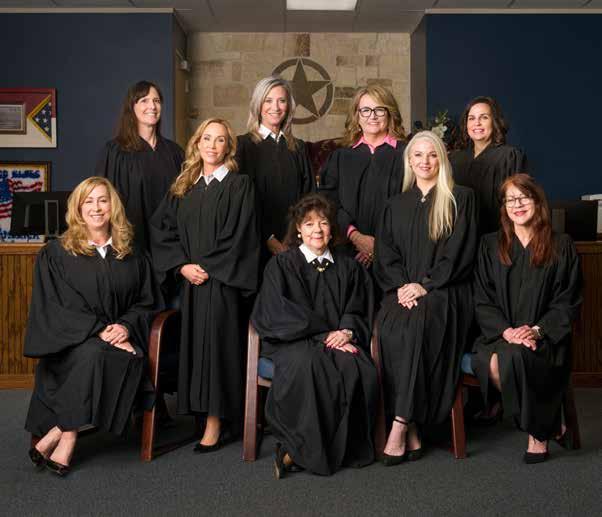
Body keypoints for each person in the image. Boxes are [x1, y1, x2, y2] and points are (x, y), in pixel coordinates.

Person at [24, 177, 161, 476]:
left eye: (102, 200)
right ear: (77, 208)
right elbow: (57, 306)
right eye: (88, 201)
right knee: (94, 353)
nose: (96, 208)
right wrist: (100, 330)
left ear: (113, 207)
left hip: (121, 338)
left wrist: (125, 327)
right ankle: (69, 434)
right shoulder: (57, 253)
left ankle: (61, 431)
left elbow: (147, 301)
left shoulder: (132, 253)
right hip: (72, 341)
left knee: (109, 354)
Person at [150, 118, 260, 452]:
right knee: (196, 347)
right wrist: (182, 266)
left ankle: (217, 420)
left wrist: (207, 268)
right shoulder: (184, 186)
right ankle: (202, 415)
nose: (212, 145)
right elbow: (162, 229)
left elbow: (240, 235)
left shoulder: (239, 185)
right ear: (197, 143)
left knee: (218, 346)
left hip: (223, 283)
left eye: (220, 140)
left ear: (229, 147)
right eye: (207, 138)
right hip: (191, 283)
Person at [251, 193, 377, 477]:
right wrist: (324, 334)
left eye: (323, 223)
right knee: (308, 364)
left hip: (339, 340)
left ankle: (324, 450)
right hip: (292, 342)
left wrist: (347, 331)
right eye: (309, 224)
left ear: (332, 229)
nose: (317, 230)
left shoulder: (348, 266)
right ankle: (302, 449)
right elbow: (275, 310)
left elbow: (359, 305)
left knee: (355, 366)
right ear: (298, 229)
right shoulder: (282, 265)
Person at [374, 131, 477, 465]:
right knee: (389, 325)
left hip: (446, 292)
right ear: (409, 160)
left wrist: (425, 285)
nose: (425, 161)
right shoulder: (395, 204)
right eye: (417, 155)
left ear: (442, 160)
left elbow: (458, 253)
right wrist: (402, 286)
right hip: (402, 291)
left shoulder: (460, 198)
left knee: (417, 321)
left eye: (432, 155)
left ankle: (400, 422)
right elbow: (385, 255)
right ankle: (413, 424)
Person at [470, 174, 582, 464]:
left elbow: (567, 300)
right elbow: (482, 298)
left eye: (523, 198)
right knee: (495, 363)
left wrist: (536, 331)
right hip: (500, 334)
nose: (517, 205)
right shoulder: (489, 245)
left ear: (537, 201)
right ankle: (549, 425)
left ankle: (537, 434)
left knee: (517, 357)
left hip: (545, 337)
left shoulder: (561, 244)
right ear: (504, 207)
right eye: (510, 200)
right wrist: (507, 332)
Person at [319, 85, 406, 271]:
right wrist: (355, 236)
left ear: (390, 114)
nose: (372, 116)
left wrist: (378, 246)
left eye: (379, 110)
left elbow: (412, 204)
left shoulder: (407, 155)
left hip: (396, 253)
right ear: (356, 116)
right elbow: (328, 202)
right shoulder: (340, 157)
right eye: (365, 110)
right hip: (347, 251)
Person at [96, 80, 185, 253]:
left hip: (170, 246)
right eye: (144, 100)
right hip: (130, 246)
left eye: (156, 101)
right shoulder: (115, 152)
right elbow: (104, 199)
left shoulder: (175, 152)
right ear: (132, 107)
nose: (152, 106)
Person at [237, 76, 314, 266]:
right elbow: (242, 202)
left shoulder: (298, 148)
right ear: (258, 105)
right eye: (268, 100)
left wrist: (295, 236)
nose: (276, 107)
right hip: (256, 244)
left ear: (289, 106)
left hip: (295, 243)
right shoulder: (242, 146)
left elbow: (309, 196)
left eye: (282, 101)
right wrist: (268, 238)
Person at [450, 96, 528, 236]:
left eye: (484, 117)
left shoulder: (509, 156)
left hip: (497, 235)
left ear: (495, 122)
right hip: (460, 235)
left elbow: (519, 200)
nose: (477, 123)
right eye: (471, 118)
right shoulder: (455, 159)